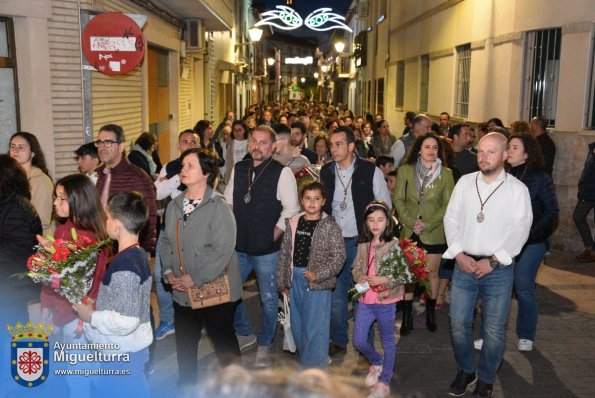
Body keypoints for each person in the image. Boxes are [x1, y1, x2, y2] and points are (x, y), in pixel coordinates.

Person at [443, 132, 532, 398]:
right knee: (458, 323)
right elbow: (451, 219)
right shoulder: (465, 183)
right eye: (480, 151)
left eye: (491, 151)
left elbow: (520, 230)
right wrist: (458, 254)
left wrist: (493, 261)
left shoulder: (517, 190)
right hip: (464, 265)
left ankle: (486, 377)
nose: (483, 156)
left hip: (498, 270)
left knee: (493, 329)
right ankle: (466, 369)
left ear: (505, 155)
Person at [160, 149, 242, 389]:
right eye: (182, 165)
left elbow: (223, 249)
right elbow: (165, 241)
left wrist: (194, 278)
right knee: (185, 343)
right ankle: (186, 386)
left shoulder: (218, 207)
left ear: (206, 173)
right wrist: (168, 272)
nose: (183, 170)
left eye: (189, 166)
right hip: (181, 290)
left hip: (214, 290)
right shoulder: (174, 205)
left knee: (223, 340)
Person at [224, 125, 300, 367]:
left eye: (263, 142)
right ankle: (246, 333)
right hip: (239, 247)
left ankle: (265, 344)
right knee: (230, 294)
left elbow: (291, 209)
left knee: (268, 299)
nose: (258, 146)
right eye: (254, 141)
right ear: (249, 143)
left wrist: (273, 234)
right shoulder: (240, 168)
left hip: (268, 250)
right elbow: (228, 201)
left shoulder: (282, 173)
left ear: (273, 146)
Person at [320, 126, 392, 356]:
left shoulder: (370, 171)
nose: (334, 149)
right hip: (334, 244)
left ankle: (364, 344)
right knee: (336, 297)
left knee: (363, 295)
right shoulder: (326, 171)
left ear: (352, 146)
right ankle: (339, 340)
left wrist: (377, 241)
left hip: (362, 245)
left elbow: (385, 206)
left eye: (339, 144)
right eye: (331, 144)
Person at [73, 192, 153, 398]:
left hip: (123, 353)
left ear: (116, 225)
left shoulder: (126, 264)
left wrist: (90, 316)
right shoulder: (137, 255)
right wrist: (97, 303)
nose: (105, 222)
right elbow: (124, 301)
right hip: (127, 350)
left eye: (108, 217)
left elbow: (126, 319)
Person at [40, 173, 110, 397]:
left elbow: (96, 279)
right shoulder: (63, 229)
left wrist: (78, 314)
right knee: (84, 370)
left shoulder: (90, 236)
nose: (55, 203)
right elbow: (54, 275)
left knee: (80, 373)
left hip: (83, 313)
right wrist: (48, 305)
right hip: (71, 311)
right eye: (55, 197)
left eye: (61, 198)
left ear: (78, 200)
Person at [276, 181, 346, 369]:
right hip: (295, 279)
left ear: (323, 201)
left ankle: (314, 368)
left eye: (316, 198)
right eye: (308, 198)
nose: (312, 202)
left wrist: (319, 274)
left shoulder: (330, 226)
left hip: (317, 281)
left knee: (316, 325)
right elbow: (284, 253)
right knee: (297, 322)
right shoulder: (293, 223)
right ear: (301, 201)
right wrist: (283, 283)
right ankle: (308, 358)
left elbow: (339, 257)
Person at [394, 133, 455, 334]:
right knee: (410, 274)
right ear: (419, 149)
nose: (431, 151)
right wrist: (412, 222)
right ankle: (408, 316)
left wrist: (428, 223)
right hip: (410, 230)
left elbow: (448, 204)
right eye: (427, 146)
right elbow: (399, 200)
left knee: (431, 273)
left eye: (435, 148)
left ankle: (430, 312)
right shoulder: (405, 171)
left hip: (434, 231)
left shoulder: (445, 174)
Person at [507, 133, 559, 352]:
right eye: (508, 146)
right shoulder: (502, 174)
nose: (509, 150)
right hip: (504, 242)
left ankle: (526, 334)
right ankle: (492, 333)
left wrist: (531, 232)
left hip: (531, 243)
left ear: (527, 154)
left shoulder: (539, 177)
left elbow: (552, 210)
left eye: (515, 147)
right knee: (499, 288)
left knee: (523, 286)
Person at [153, 129, 201, 341]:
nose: (189, 145)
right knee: (161, 276)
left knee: (191, 277)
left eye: (193, 141)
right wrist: (174, 176)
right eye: (185, 141)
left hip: (195, 232)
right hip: (168, 230)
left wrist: (168, 179)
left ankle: (195, 322)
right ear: (178, 145)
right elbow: (157, 192)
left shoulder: (205, 167)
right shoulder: (170, 166)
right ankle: (167, 320)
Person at [352, 201, 403, 398]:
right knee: (358, 340)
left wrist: (385, 279)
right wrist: (359, 277)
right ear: (366, 222)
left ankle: (384, 382)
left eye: (380, 220)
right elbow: (356, 267)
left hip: (386, 301)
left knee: (388, 341)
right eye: (371, 220)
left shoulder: (395, 245)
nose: (376, 224)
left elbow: (403, 274)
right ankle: (377, 362)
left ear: (388, 222)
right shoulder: (363, 244)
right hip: (365, 300)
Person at [95, 123, 157, 255]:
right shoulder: (100, 174)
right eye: (99, 142)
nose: (102, 147)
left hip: (127, 252)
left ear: (122, 146)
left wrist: (141, 252)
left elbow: (149, 219)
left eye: (108, 143)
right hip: (102, 251)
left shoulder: (137, 177)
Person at [9, 131, 53, 236]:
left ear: (33, 153)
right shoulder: (7, 177)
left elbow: (42, 221)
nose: (15, 151)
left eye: (21, 147)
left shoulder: (41, 180)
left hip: (35, 240)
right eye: (13, 146)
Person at [573, 141, 595, 262]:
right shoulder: (592, 150)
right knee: (578, 216)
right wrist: (582, 187)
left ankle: (593, 252)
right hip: (587, 192)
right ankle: (589, 247)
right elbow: (587, 171)